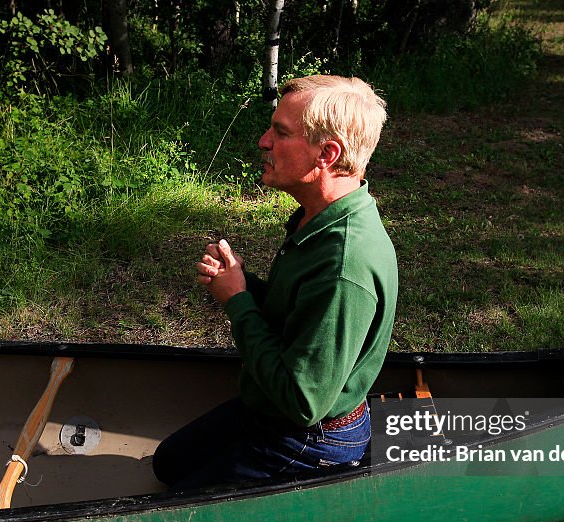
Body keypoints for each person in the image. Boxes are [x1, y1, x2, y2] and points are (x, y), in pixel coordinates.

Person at [152, 74, 397, 489]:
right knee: (169, 464)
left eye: (280, 132)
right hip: (273, 410)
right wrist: (242, 283)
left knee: (176, 509)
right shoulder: (320, 218)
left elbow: (303, 402)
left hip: (311, 438)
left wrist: (239, 303)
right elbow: (296, 312)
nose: (264, 142)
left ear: (327, 153)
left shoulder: (344, 265)